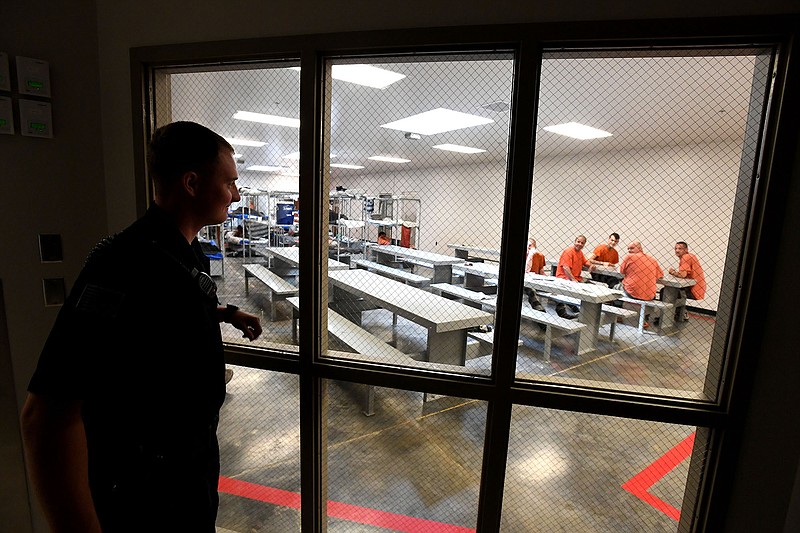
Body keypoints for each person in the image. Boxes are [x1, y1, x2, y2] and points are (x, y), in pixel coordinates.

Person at [19, 121, 263, 532]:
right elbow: (44, 417)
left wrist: (226, 313)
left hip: (189, 483)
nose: (236, 196)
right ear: (191, 183)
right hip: (141, 499)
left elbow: (167, 312)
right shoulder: (119, 266)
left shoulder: (188, 254)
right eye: (230, 183)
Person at [619, 241, 664, 327]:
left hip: (632, 293)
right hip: (650, 295)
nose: (629, 250)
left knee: (614, 287)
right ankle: (644, 319)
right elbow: (660, 276)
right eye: (628, 248)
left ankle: (617, 314)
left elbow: (621, 271)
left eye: (632, 248)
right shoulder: (652, 260)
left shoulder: (629, 257)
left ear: (639, 248)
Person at [555, 235, 595, 318]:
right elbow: (566, 268)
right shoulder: (569, 251)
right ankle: (563, 313)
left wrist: (591, 265)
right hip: (564, 278)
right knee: (565, 294)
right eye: (578, 242)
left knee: (592, 287)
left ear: (584, 245)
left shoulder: (580, 253)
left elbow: (585, 262)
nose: (580, 244)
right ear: (575, 241)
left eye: (582, 243)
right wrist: (573, 280)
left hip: (575, 278)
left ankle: (585, 312)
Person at [667, 241, 706, 320]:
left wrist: (673, 272)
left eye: (680, 248)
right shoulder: (691, 256)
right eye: (676, 248)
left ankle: (665, 316)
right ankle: (681, 313)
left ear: (686, 250)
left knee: (667, 291)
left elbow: (682, 275)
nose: (677, 250)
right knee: (675, 292)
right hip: (698, 287)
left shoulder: (686, 257)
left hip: (693, 289)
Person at [524, 238, 547, 313]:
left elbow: (541, 271)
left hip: (535, 279)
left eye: (531, 245)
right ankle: (539, 310)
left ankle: (562, 311)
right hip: (526, 281)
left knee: (554, 291)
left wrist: (547, 279)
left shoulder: (540, 256)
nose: (529, 247)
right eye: (528, 245)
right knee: (531, 290)